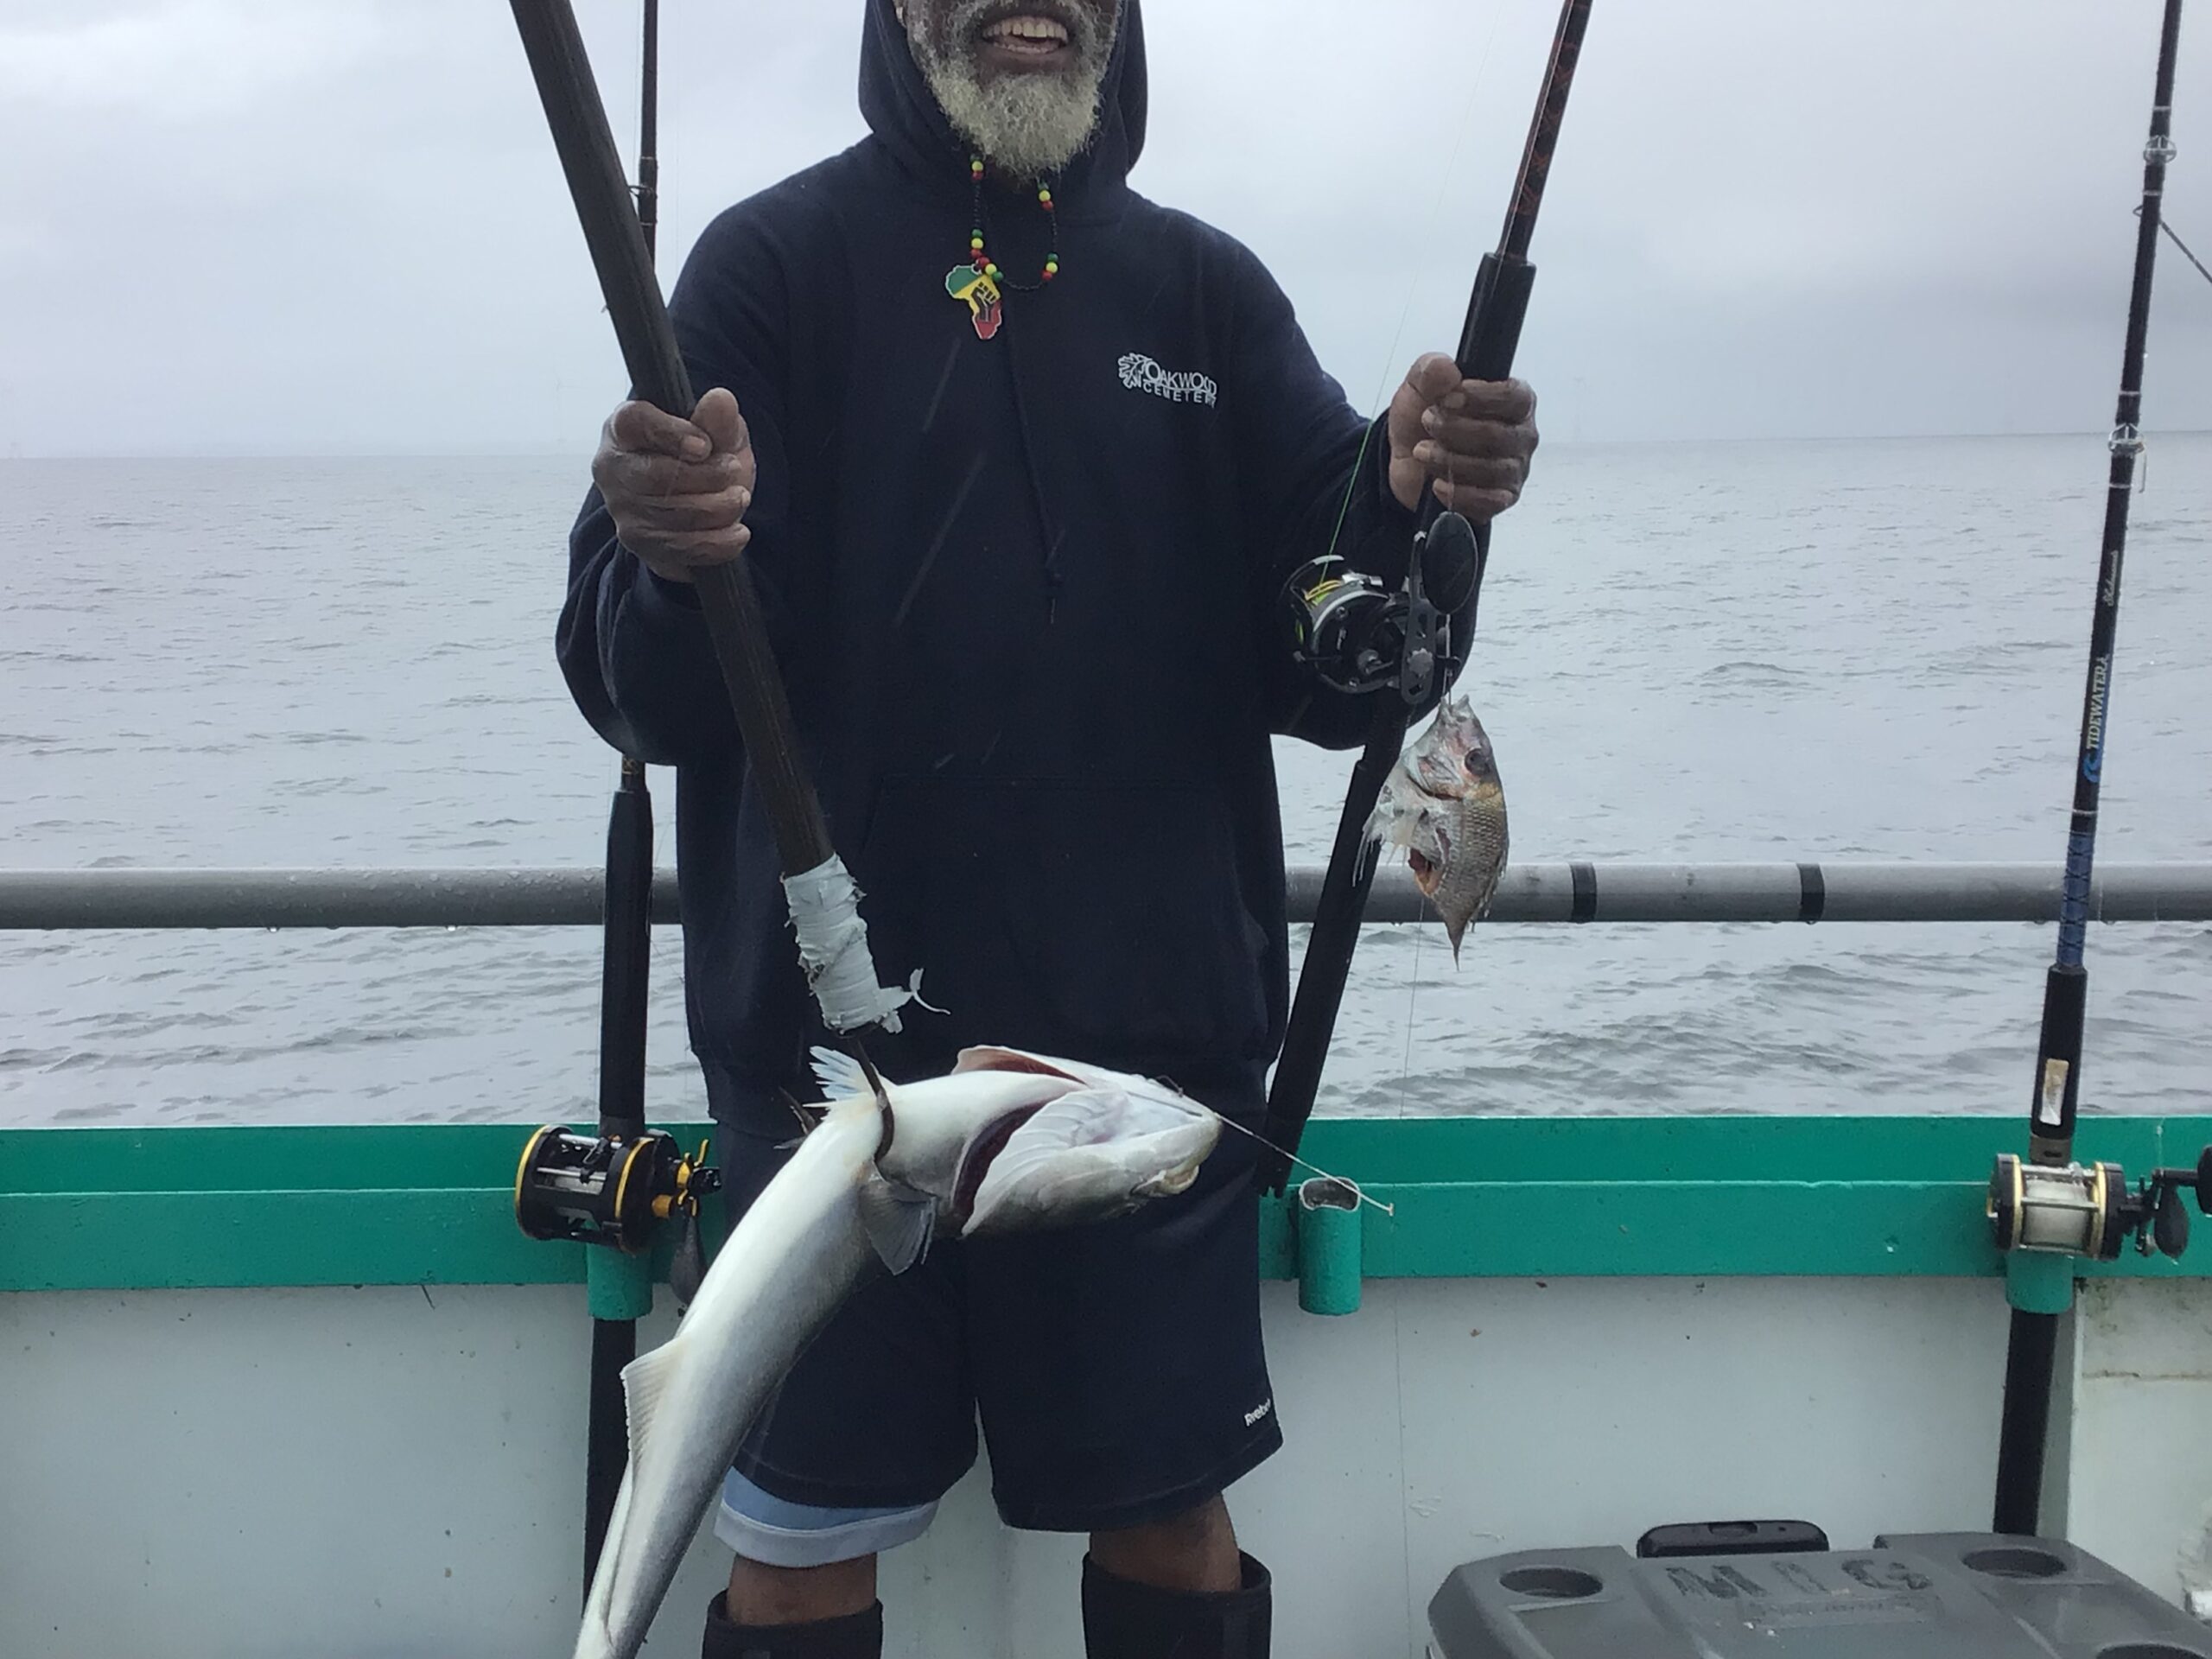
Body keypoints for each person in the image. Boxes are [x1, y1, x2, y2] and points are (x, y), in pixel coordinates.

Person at [557, 2, 1541, 1654]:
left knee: (1175, 1524)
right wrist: (665, 555)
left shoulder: (1206, 293)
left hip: (1142, 1081)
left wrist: (1405, 484)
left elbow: (1336, 654)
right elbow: (638, 695)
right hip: (835, 1096)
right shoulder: (766, 268)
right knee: (795, 1551)